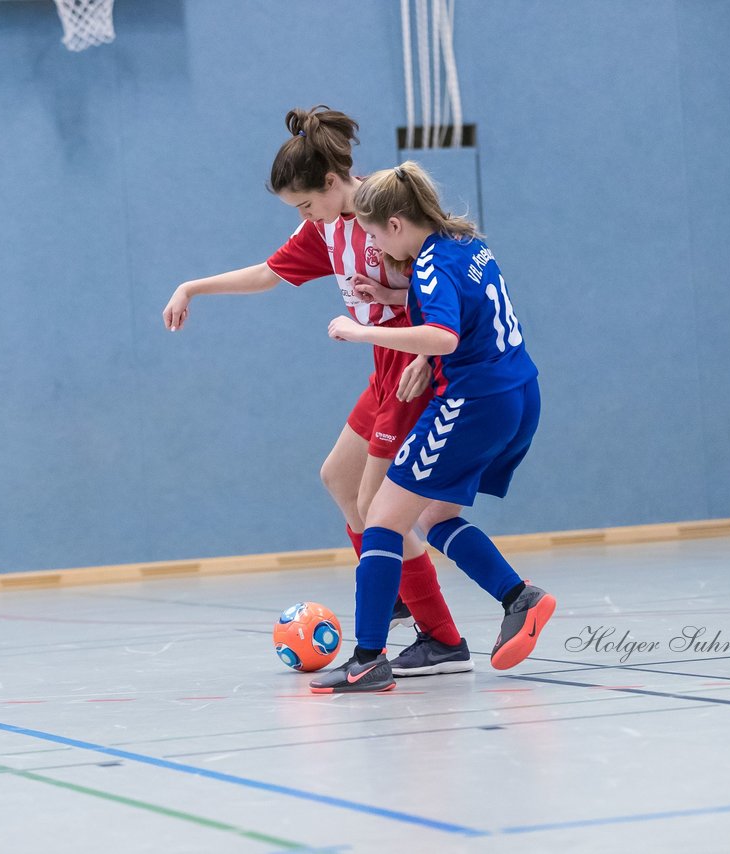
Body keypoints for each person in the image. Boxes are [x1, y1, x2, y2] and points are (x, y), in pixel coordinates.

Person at [162, 107, 472, 677]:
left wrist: (427, 355)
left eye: (306, 204)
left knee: (377, 508)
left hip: (412, 368)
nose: (305, 218)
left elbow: (449, 283)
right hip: (382, 367)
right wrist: (192, 287)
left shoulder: (388, 211)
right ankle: (397, 589)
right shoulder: (324, 228)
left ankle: (441, 637)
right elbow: (267, 273)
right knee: (337, 477)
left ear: (332, 183)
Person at [309, 161, 557, 694]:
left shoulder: (425, 265)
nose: (376, 247)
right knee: (434, 516)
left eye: (375, 234)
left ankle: (367, 659)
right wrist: (395, 306)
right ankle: (520, 599)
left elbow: (443, 336)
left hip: (474, 402)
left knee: (381, 518)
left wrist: (358, 331)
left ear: (396, 225)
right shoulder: (464, 243)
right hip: (520, 391)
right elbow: (460, 318)